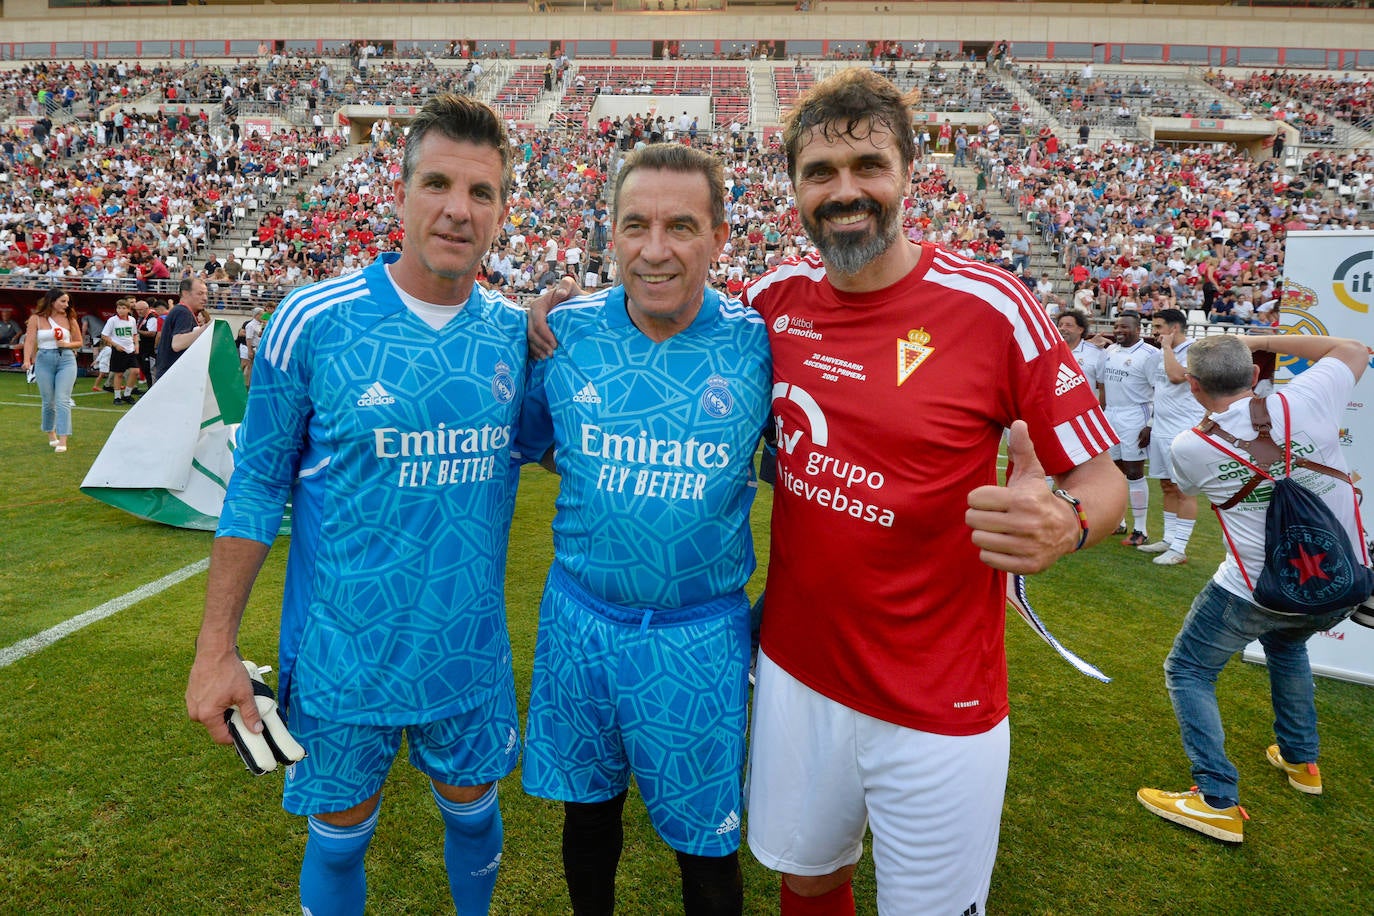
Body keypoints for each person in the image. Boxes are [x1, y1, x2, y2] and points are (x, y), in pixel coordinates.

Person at [528, 67, 1124, 916]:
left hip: (938, 691)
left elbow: (1102, 482)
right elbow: (667, 326)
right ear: (798, 193)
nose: (846, 193)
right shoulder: (770, 308)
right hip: (796, 669)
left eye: (868, 167)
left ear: (909, 173)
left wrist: (1066, 521)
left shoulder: (995, 307)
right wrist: (542, 315)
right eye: (821, 174)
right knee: (805, 880)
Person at [186, 93, 528, 916]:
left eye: (482, 193)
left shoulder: (517, 334)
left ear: (503, 209)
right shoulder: (314, 320)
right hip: (345, 657)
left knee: (475, 817)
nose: (458, 209)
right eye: (439, 184)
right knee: (340, 835)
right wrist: (215, 649)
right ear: (400, 191)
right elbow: (258, 485)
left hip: (466, 650)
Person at [517, 143, 770, 916]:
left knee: (707, 849)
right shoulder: (564, 335)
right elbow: (538, 442)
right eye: (636, 225)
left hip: (698, 637)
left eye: (682, 226)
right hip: (579, 622)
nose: (655, 249)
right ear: (610, 235)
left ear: (721, 236)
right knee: (588, 817)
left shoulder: (759, 344)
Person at [1137, 333, 1369, 844]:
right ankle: (1301, 760)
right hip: (1340, 583)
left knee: (1189, 669)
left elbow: (1194, 487)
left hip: (1255, 591)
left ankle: (1216, 800)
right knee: (1288, 646)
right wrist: (1257, 337)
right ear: (1257, 372)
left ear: (1194, 387)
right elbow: (1353, 348)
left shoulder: (1190, 444)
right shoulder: (1303, 398)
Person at [1136, 309, 1205, 565]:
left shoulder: (1196, 351)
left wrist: (1166, 349)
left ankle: (1180, 548)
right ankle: (1168, 538)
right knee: (1166, 486)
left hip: (1183, 430)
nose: (1154, 332)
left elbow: (1177, 377)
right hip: (1162, 429)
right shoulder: (1162, 354)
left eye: (1159, 326)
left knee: (1183, 490)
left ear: (1174, 328)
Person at [1100, 311, 1156, 544]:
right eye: (1116, 327)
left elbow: (1160, 391)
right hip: (1111, 414)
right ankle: (1119, 522)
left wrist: (1150, 424)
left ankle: (1141, 530)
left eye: (1124, 327)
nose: (1119, 331)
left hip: (1135, 415)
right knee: (1114, 472)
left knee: (1134, 471)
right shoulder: (1110, 351)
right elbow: (1102, 386)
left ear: (1137, 330)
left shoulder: (1150, 355)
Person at [21, 288, 84, 453]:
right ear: (52, 301)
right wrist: (27, 360)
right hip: (44, 360)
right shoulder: (36, 318)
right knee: (48, 401)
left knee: (62, 399)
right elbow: (29, 340)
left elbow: (79, 342)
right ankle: (51, 434)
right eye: (63, 301)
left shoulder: (70, 318)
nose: (66, 304)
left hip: (66, 360)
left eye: (67, 302)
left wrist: (67, 344)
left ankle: (63, 439)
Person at [154, 277, 210, 381]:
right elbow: (177, 344)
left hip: (170, 375)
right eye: (200, 293)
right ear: (185, 293)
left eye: (206, 293)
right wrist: (206, 327)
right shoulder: (183, 312)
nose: (205, 298)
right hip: (173, 377)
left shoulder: (181, 311)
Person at [1056, 309, 1104, 403]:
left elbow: (1103, 388)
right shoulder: (1050, 352)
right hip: (1057, 413)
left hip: (1084, 413)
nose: (1062, 328)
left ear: (1080, 330)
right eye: (1060, 325)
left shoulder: (1096, 353)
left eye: (1068, 325)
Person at [100, 297, 140, 404]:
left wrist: (136, 344)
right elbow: (104, 335)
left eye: (123, 308)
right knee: (119, 374)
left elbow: (134, 334)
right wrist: (115, 345)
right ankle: (117, 397)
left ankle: (127, 394)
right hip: (118, 350)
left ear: (128, 309)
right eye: (118, 308)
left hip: (130, 349)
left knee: (135, 371)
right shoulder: (112, 320)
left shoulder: (132, 320)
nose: (120, 310)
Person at [132, 299, 157, 389]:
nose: (138, 312)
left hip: (149, 350)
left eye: (141, 310)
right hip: (142, 348)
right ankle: (149, 389)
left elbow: (152, 333)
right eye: (137, 310)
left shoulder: (152, 318)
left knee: (149, 370)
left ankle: (152, 389)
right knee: (145, 370)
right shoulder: (140, 318)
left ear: (147, 308)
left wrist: (137, 331)